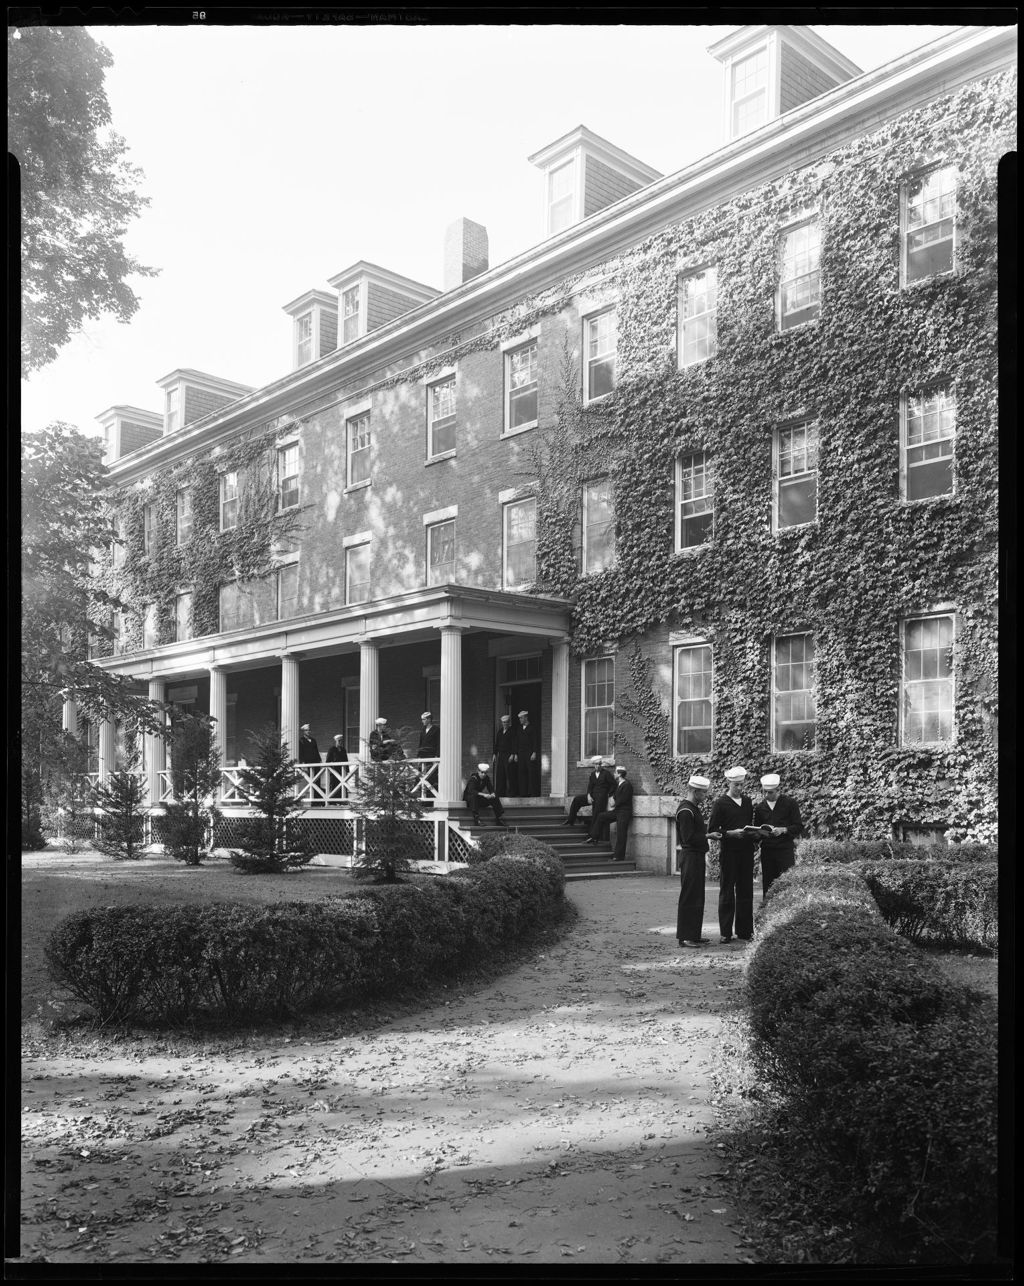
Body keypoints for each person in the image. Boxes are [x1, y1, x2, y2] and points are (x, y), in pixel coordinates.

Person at [707, 766, 756, 944]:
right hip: (729, 852)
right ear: (729, 783)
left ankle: (745, 931)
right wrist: (729, 833)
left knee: (746, 891)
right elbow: (713, 829)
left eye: (742, 785)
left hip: (746, 852)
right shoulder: (720, 803)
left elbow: (749, 824)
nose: (740, 789)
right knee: (727, 891)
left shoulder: (748, 802)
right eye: (736, 785)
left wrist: (754, 834)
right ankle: (726, 932)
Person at [753, 773, 803, 898]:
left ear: (778, 790)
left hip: (785, 850)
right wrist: (758, 834)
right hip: (767, 850)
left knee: (787, 882)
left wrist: (784, 829)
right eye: (764, 792)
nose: (767, 795)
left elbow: (798, 826)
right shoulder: (760, 808)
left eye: (770, 792)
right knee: (768, 885)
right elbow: (758, 829)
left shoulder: (790, 804)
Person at [675, 775, 711, 947]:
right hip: (690, 856)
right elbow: (687, 837)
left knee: (698, 896)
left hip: (696, 856)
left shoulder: (692, 808)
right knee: (689, 896)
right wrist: (708, 835)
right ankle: (685, 937)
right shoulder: (685, 810)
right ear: (695, 792)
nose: (705, 796)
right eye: (703, 793)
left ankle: (694, 934)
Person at [588, 766, 634, 861]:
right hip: (617, 811)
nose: (614, 774)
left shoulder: (627, 785)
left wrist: (614, 801)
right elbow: (616, 796)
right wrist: (613, 798)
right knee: (601, 816)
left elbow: (623, 799)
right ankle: (594, 836)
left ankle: (618, 856)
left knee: (621, 834)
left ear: (620, 774)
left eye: (615, 773)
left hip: (624, 813)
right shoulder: (619, 784)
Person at [563, 755, 615, 828]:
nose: (598, 766)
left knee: (596, 814)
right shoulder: (592, 774)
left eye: (599, 764)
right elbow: (590, 786)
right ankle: (571, 819)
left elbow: (613, 785)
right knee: (577, 800)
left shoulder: (606, 774)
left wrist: (609, 794)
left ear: (601, 765)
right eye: (596, 764)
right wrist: (588, 795)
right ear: (594, 765)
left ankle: (592, 835)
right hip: (593, 796)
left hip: (601, 798)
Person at [463, 762, 507, 826]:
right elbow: (471, 791)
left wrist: (492, 794)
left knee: (495, 797)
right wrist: (484, 795)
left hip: (478, 800)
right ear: (478, 771)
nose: (483, 774)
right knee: (473, 796)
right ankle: (477, 820)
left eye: (485, 773)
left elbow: (490, 788)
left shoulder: (486, 778)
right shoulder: (473, 778)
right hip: (470, 800)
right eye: (482, 772)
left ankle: (499, 819)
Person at [493, 714, 519, 796]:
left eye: (506, 722)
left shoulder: (512, 731)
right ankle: (500, 793)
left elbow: (515, 743)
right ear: (502, 723)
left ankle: (512, 793)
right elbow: (496, 744)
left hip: (509, 755)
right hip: (501, 755)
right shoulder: (500, 732)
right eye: (503, 722)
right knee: (500, 774)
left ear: (509, 723)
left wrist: (513, 754)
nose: (505, 724)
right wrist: (494, 754)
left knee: (510, 774)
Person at [516, 710, 540, 796]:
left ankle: (532, 793)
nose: (520, 720)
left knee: (531, 773)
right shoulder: (519, 729)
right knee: (522, 773)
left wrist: (534, 752)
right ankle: (523, 793)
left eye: (521, 718)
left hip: (529, 753)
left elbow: (535, 741)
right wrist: (516, 754)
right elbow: (517, 742)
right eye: (519, 718)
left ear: (526, 717)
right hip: (521, 753)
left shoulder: (532, 728)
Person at [298, 723, 323, 804]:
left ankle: (318, 800)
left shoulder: (313, 740)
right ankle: (312, 800)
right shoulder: (301, 741)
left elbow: (316, 751)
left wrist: (319, 761)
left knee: (317, 781)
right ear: (304, 732)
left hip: (315, 763)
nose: (308, 732)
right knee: (311, 781)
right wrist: (303, 763)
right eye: (306, 730)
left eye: (309, 730)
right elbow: (301, 753)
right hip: (308, 763)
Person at [417, 711, 440, 795]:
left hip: (431, 756)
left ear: (429, 719)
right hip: (423, 756)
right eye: (422, 719)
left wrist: (437, 756)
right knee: (421, 775)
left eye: (424, 719)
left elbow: (438, 743)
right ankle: (421, 795)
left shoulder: (436, 730)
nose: (422, 721)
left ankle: (431, 796)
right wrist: (419, 756)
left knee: (431, 776)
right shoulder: (422, 730)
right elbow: (421, 743)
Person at [324, 733, 349, 802]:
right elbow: (327, 761)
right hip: (334, 771)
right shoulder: (332, 749)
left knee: (343, 786)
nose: (340, 742)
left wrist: (347, 770)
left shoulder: (343, 750)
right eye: (339, 741)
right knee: (334, 785)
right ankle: (333, 801)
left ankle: (343, 800)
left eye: (341, 741)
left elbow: (346, 760)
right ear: (336, 741)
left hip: (342, 771)